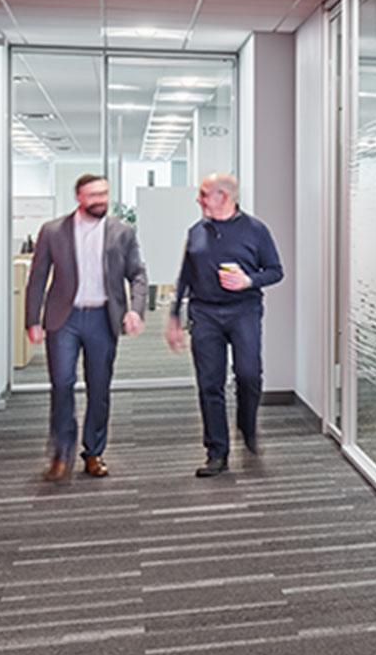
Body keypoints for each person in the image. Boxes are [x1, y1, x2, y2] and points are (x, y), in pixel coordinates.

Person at [22, 174, 148, 481]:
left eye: (104, 194)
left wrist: (135, 309)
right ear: (79, 197)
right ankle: (61, 453)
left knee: (99, 387)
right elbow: (37, 278)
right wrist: (32, 320)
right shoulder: (53, 231)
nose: (100, 200)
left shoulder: (122, 231)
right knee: (62, 384)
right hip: (64, 319)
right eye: (93, 195)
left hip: (103, 318)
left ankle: (93, 452)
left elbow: (138, 275)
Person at [166, 173, 283, 478]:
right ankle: (216, 452)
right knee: (209, 384)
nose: (199, 199)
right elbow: (185, 277)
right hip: (204, 314)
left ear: (224, 196)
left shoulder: (256, 230)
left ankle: (247, 426)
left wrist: (248, 280)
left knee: (248, 375)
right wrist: (175, 315)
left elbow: (275, 271)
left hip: (244, 311)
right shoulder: (196, 232)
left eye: (204, 194)